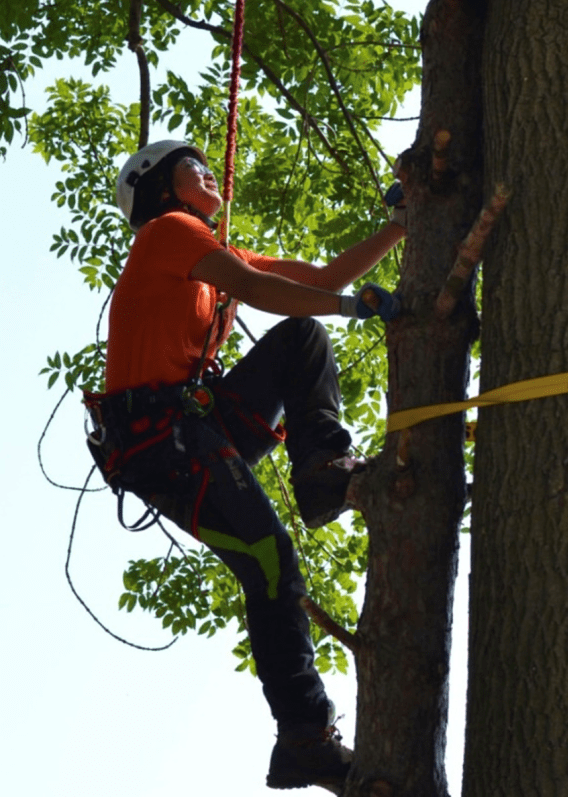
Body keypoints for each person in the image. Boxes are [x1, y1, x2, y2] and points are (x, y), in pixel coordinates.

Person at [85, 139, 404, 793]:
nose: (203, 170)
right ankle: (305, 738)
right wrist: (354, 310)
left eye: (205, 161)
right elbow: (263, 289)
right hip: (162, 447)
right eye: (186, 165)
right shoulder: (167, 233)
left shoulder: (206, 254)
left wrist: (403, 225)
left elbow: (317, 281)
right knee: (270, 561)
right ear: (159, 191)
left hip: (196, 427)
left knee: (303, 338)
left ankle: (320, 470)